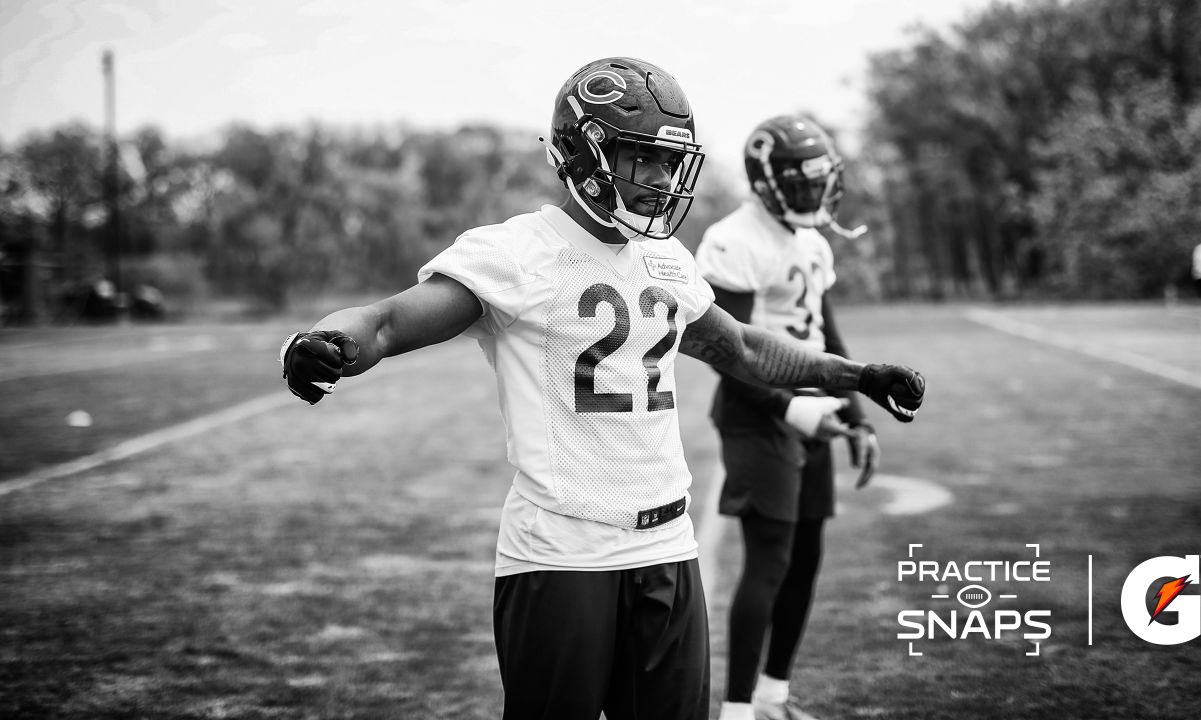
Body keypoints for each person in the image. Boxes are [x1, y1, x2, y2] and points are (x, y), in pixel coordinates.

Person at [278, 58, 925, 720]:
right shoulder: (517, 252)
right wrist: (324, 344)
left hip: (667, 544)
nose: (662, 179)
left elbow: (745, 347)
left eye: (672, 163)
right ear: (583, 152)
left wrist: (856, 377)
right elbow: (385, 322)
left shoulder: (667, 260)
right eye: (642, 158)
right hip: (563, 550)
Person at [695, 116, 879, 720]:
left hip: (815, 411)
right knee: (769, 559)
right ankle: (739, 711)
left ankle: (775, 696)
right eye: (801, 183)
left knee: (805, 557)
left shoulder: (814, 243)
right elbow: (733, 357)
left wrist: (858, 415)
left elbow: (828, 335)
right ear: (768, 184)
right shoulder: (733, 239)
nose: (813, 195)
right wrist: (797, 409)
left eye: (818, 181)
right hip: (758, 415)